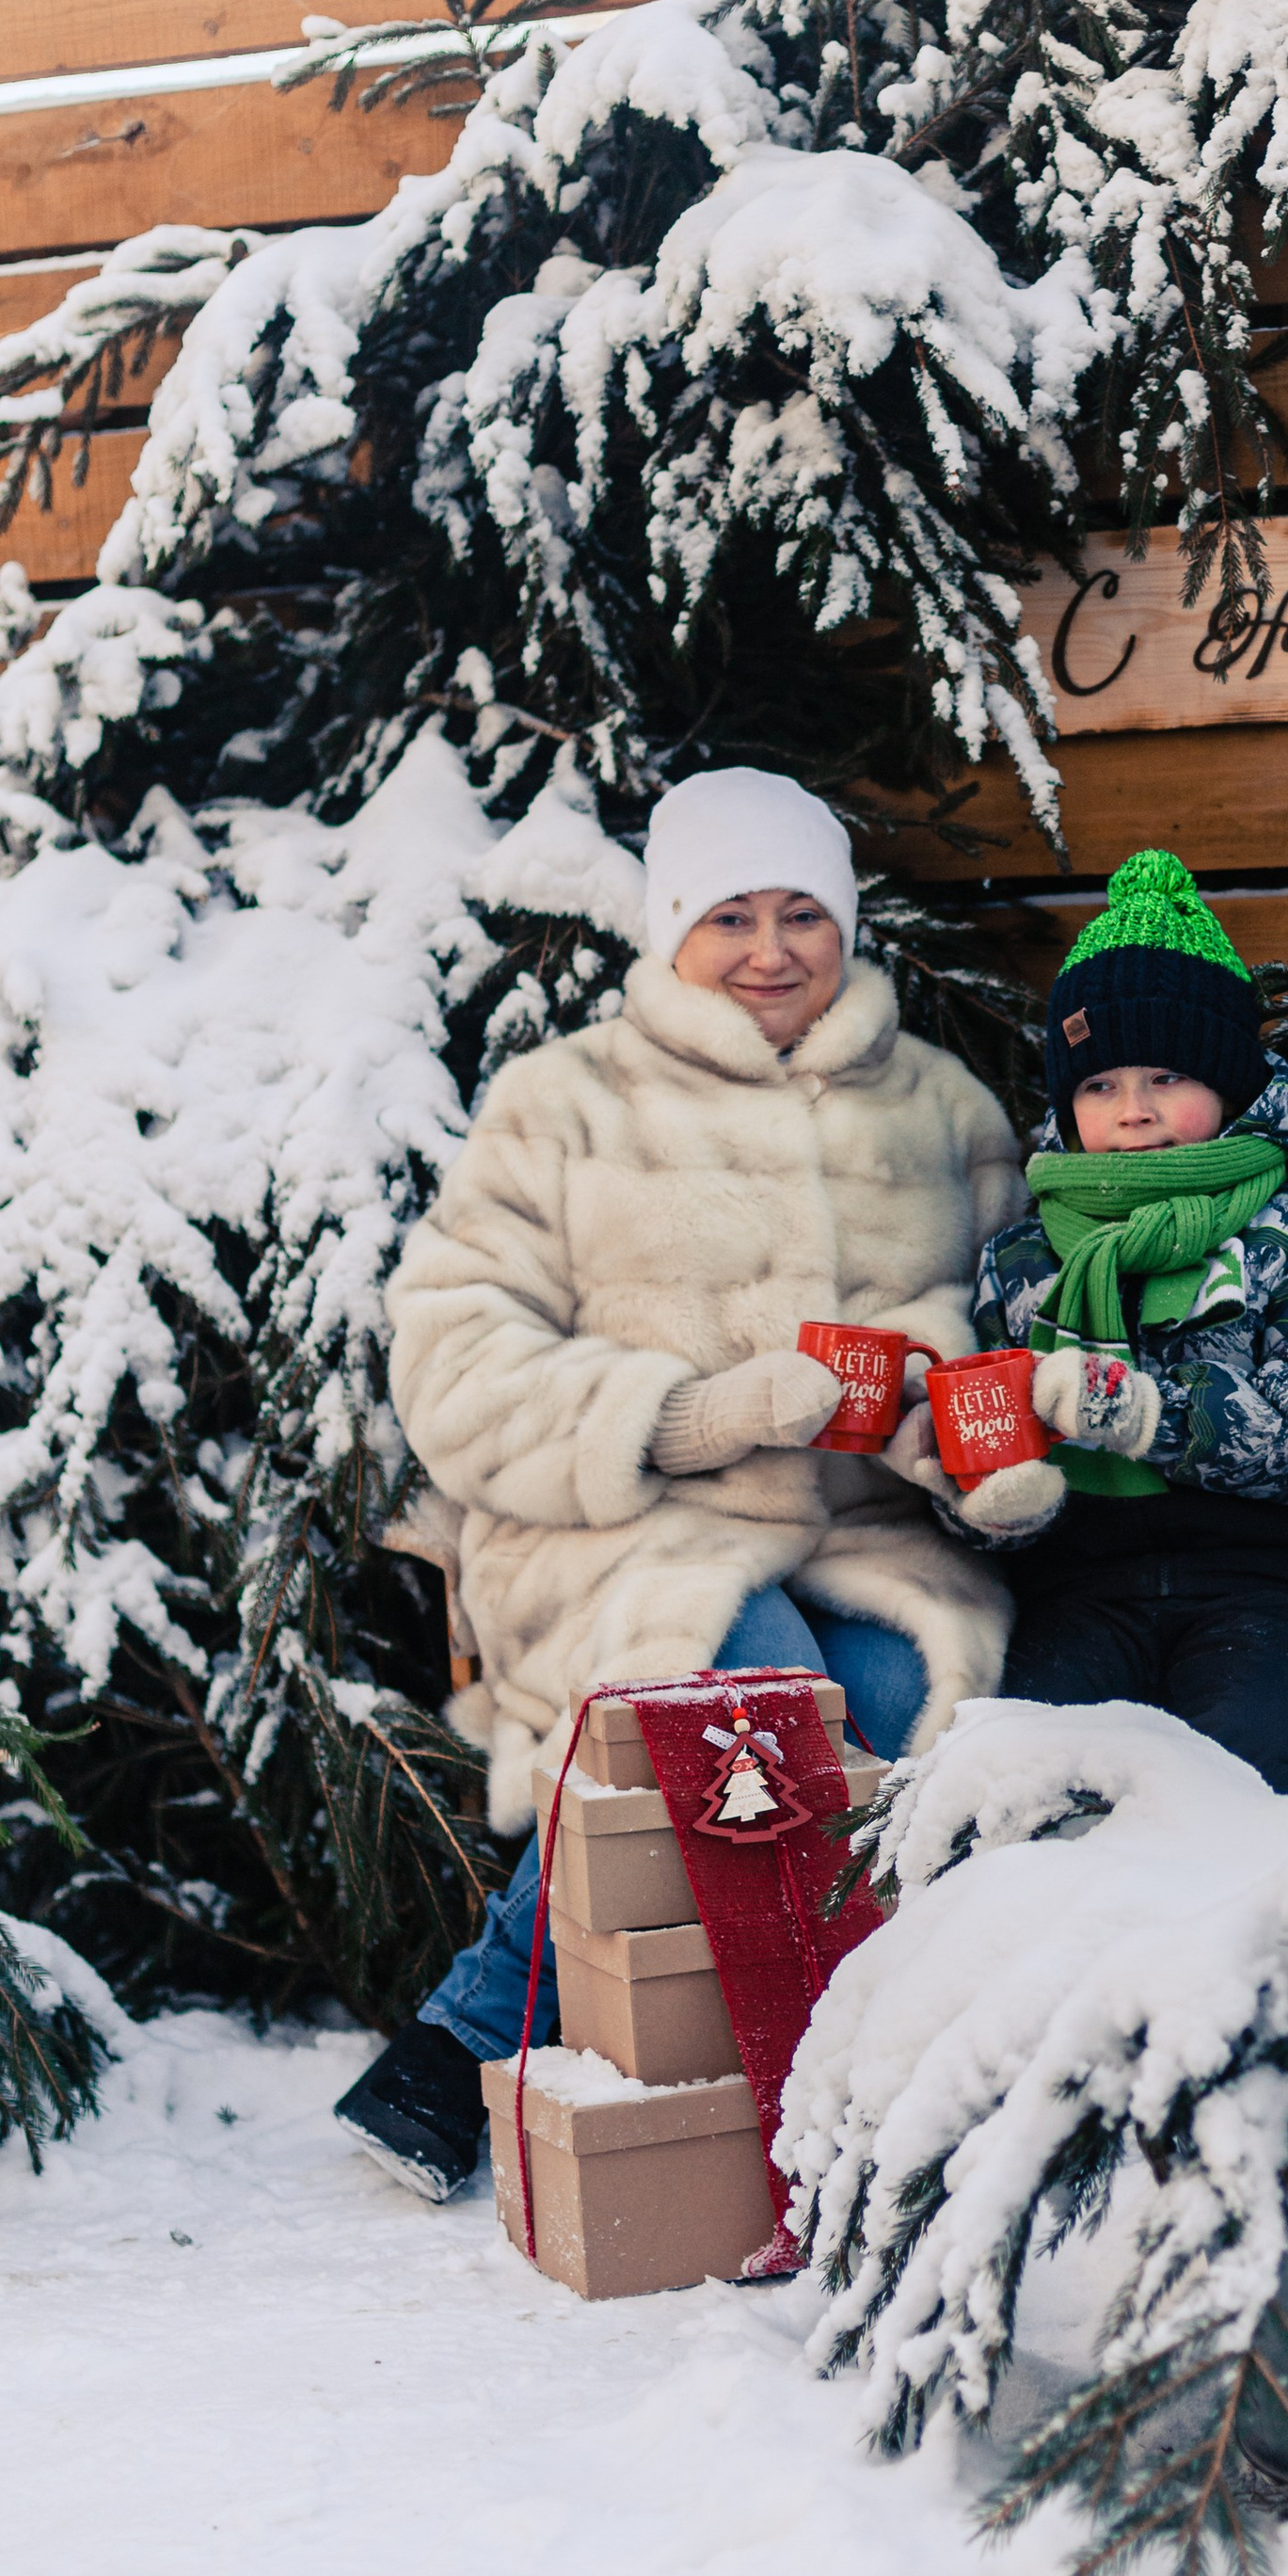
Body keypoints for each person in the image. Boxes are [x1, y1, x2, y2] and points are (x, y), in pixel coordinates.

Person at [335, 765, 1025, 2198]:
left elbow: (1013, 1336)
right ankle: (496, 2051)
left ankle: (769, 2083)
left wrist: (939, 1433)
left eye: (801, 915)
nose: (771, 950)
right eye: (730, 917)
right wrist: (692, 1413)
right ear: (668, 932)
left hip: (875, 1547)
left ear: (844, 927)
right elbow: (451, 1351)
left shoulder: (942, 1111)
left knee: (899, 1707)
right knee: (739, 1712)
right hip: (630, 1533)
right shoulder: (566, 1102)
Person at [946, 848, 1288, 1792]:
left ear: (1229, 1084)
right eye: (1100, 1086)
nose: (1135, 1112)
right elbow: (1007, 1438)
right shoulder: (1025, 1258)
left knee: (1258, 1749)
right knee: (1024, 1765)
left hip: (1274, 1582)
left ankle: (1266, 1928)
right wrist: (987, 1498)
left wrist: (1145, 1412)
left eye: (1165, 1077)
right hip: (1083, 1587)